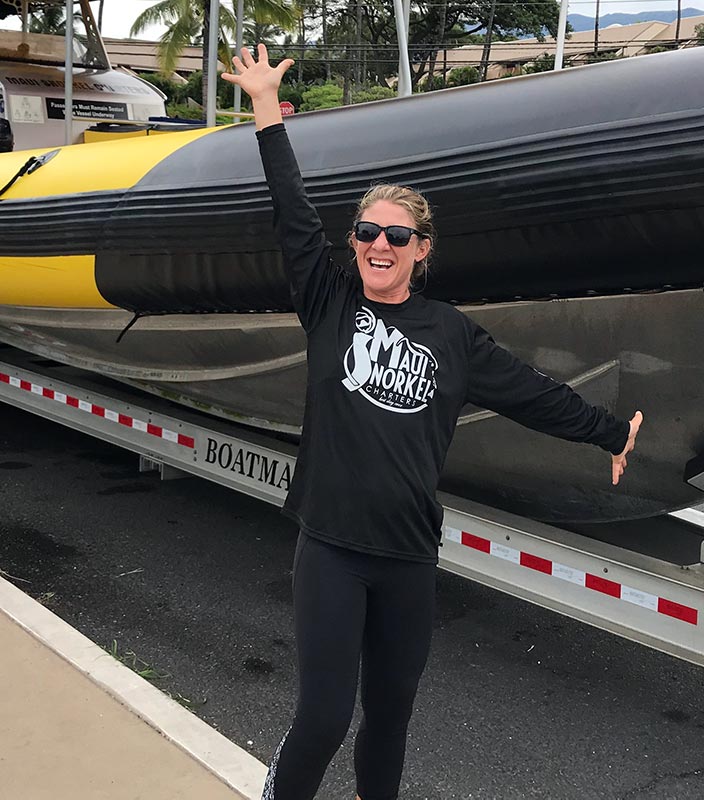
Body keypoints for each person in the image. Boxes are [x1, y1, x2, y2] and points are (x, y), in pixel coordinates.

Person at [222, 45, 643, 800]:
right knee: (324, 717)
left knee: (390, 719)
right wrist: (263, 110)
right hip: (331, 550)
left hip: (408, 556)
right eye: (366, 233)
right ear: (353, 243)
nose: (378, 245)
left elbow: (529, 392)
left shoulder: (450, 332)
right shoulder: (328, 303)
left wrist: (608, 432)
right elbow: (292, 214)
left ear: (421, 250)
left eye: (396, 236)